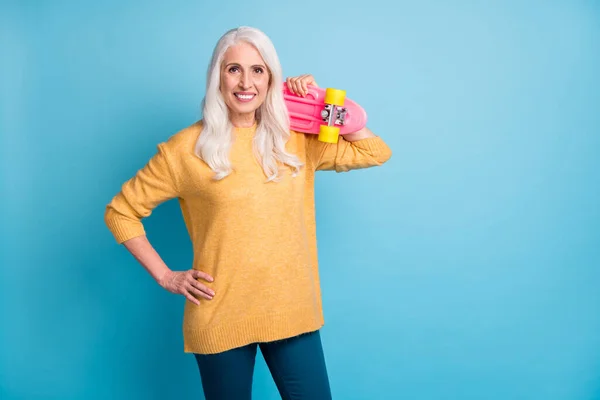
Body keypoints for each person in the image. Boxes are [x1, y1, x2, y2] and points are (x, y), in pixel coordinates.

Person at [104, 26, 392, 400]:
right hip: (220, 313)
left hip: (291, 310)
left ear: (271, 77)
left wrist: (323, 102)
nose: (246, 82)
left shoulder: (296, 138)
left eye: (258, 70)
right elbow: (121, 212)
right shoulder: (184, 150)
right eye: (233, 69)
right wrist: (166, 277)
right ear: (217, 76)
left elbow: (374, 151)